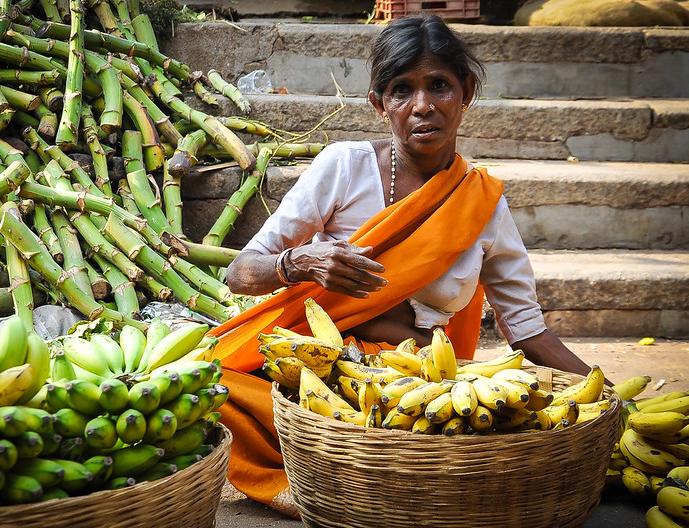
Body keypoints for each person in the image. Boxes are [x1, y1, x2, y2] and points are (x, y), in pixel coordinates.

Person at [208, 12, 594, 517]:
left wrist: (605, 395)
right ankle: (315, 482)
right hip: (318, 375)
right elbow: (241, 272)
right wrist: (301, 261)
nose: (423, 106)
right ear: (378, 103)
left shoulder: (481, 202)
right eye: (401, 90)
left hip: (418, 388)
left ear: (467, 92)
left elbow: (525, 329)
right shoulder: (344, 168)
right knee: (207, 386)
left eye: (439, 86)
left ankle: (349, 484)